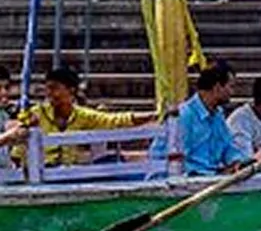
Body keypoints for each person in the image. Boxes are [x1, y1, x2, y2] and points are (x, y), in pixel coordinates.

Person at [1, 61, 153, 168]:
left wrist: (152, 115)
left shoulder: (82, 115)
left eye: (54, 88)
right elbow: (17, 152)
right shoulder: (35, 114)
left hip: (66, 174)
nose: (49, 94)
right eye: (47, 89)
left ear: (71, 90)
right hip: (38, 173)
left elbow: (115, 120)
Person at [167, 62, 244, 175]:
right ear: (217, 87)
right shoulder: (185, 115)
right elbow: (179, 161)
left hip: (216, 177)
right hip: (191, 180)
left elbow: (228, 147)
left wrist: (236, 162)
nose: (232, 92)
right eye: (230, 86)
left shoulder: (218, 114)